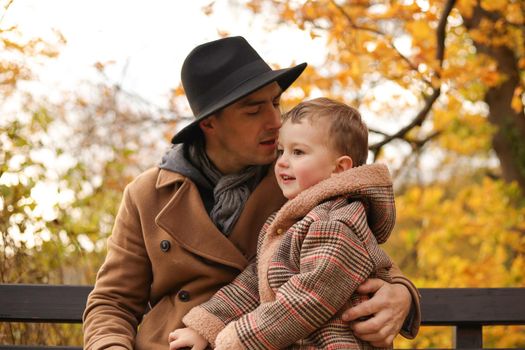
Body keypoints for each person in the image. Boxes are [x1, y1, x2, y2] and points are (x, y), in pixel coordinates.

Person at [83, 36, 420, 349]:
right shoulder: (148, 195)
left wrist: (401, 296)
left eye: (276, 102)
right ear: (210, 124)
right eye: (254, 110)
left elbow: (361, 254)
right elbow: (112, 301)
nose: (275, 120)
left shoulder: (302, 179)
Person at [168, 98, 404, 350]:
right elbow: (253, 284)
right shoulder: (293, 221)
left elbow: (309, 299)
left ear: (339, 168)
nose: (281, 162)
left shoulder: (337, 223)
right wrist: (207, 327)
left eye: (298, 152)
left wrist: (239, 338)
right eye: (281, 151)